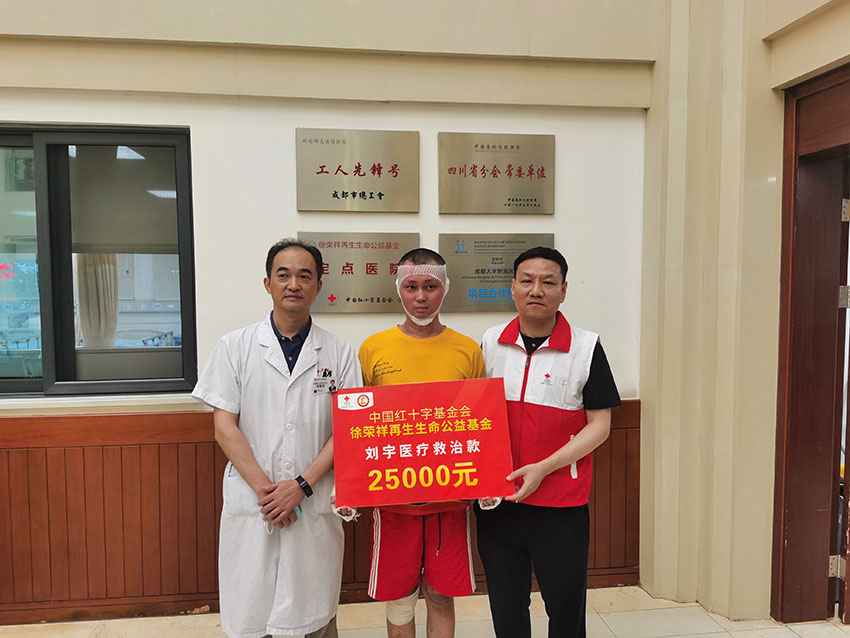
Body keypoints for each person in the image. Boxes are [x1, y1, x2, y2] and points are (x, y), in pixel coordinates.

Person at [192, 239, 360, 638]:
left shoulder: (339, 352)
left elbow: (348, 430)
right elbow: (224, 426)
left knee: (313, 612)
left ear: (319, 286)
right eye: (283, 275)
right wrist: (268, 492)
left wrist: (300, 486)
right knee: (253, 610)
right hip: (255, 499)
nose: (294, 284)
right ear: (267, 283)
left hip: (312, 497)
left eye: (305, 276)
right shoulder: (235, 347)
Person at [476, 246, 621, 638]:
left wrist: (544, 468)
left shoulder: (586, 348)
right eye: (527, 281)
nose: (536, 290)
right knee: (506, 604)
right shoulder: (490, 342)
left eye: (548, 282)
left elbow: (600, 425)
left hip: (561, 503)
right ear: (512, 287)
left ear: (563, 290)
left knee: (565, 606)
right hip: (499, 501)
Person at [357, 247, 486, 638]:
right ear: (398, 288)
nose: (421, 297)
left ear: (445, 288)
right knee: (399, 598)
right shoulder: (373, 348)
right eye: (411, 286)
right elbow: (358, 426)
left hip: (450, 498)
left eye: (430, 287)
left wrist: (487, 481)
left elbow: (480, 425)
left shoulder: (468, 350)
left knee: (441, 595)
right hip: (393, 500)